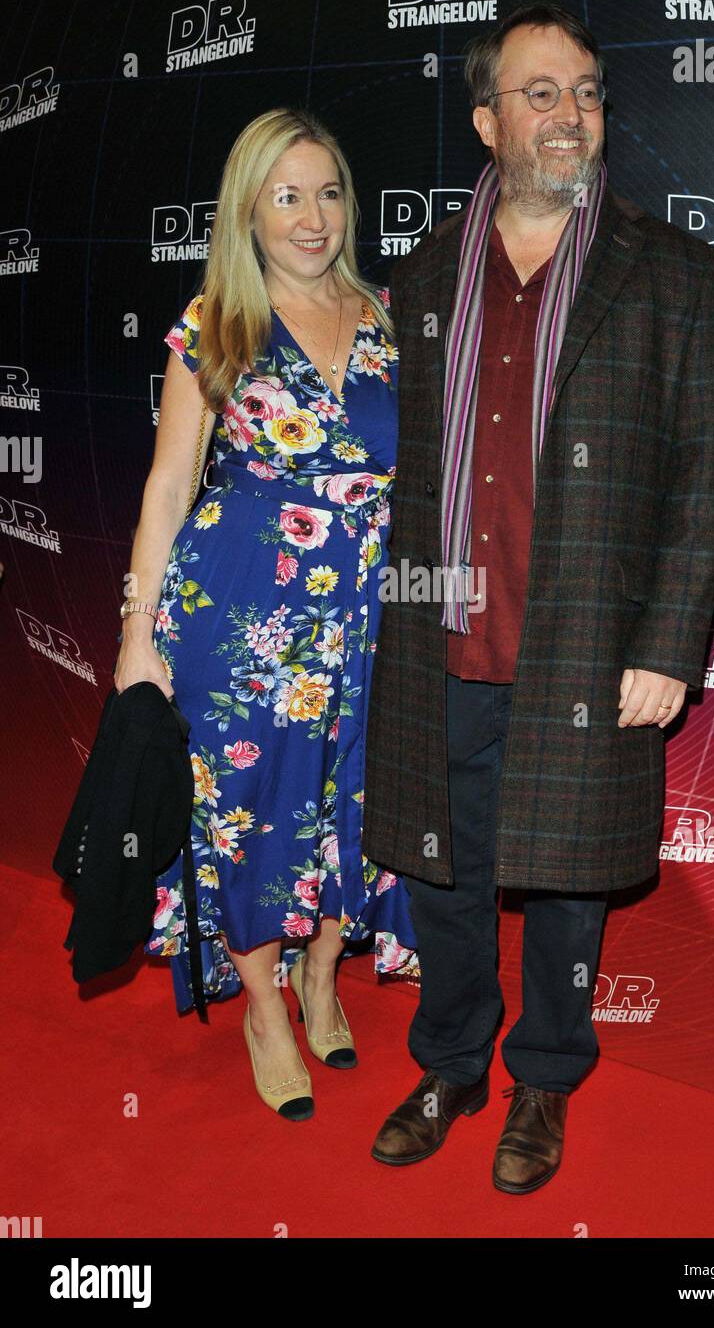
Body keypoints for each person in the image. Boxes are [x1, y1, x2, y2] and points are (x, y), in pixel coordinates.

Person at [362, 1, 714, 1191]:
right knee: (441, 871)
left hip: (584, 643)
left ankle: (541, 1083)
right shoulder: (417, 278)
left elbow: (696, 472)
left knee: (569, 885)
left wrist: (669, 642)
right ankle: (450, 1061)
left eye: (581, 90)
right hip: (443, 635)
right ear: (484, 120)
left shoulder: (667, 266)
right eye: (536, 92)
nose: (566, 112)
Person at [114, 107, 418, 1121]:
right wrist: (133, 635)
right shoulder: (214, 324)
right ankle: (260, 1004)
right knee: (244, 818)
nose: (310, 216)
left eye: (327, 192)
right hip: (235, 621)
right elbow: (166, 487)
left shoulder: (385, 317)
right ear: (247, 209)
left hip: (365, 624)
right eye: (285, 195)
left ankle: (323, 973)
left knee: (351, 811)